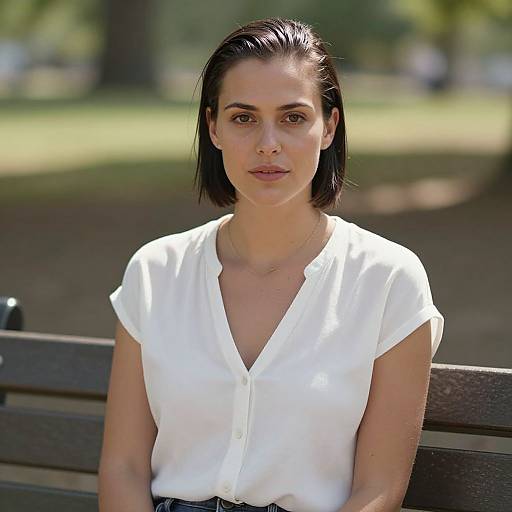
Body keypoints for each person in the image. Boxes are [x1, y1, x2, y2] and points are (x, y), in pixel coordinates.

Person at [98, 17, 444, 512]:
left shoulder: (389, 280)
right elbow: (124, 469)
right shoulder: (155, 272)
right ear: (212, 126)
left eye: (293, 117)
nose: (267, 144)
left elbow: (378, 490)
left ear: (329, 126)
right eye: (243, 118)